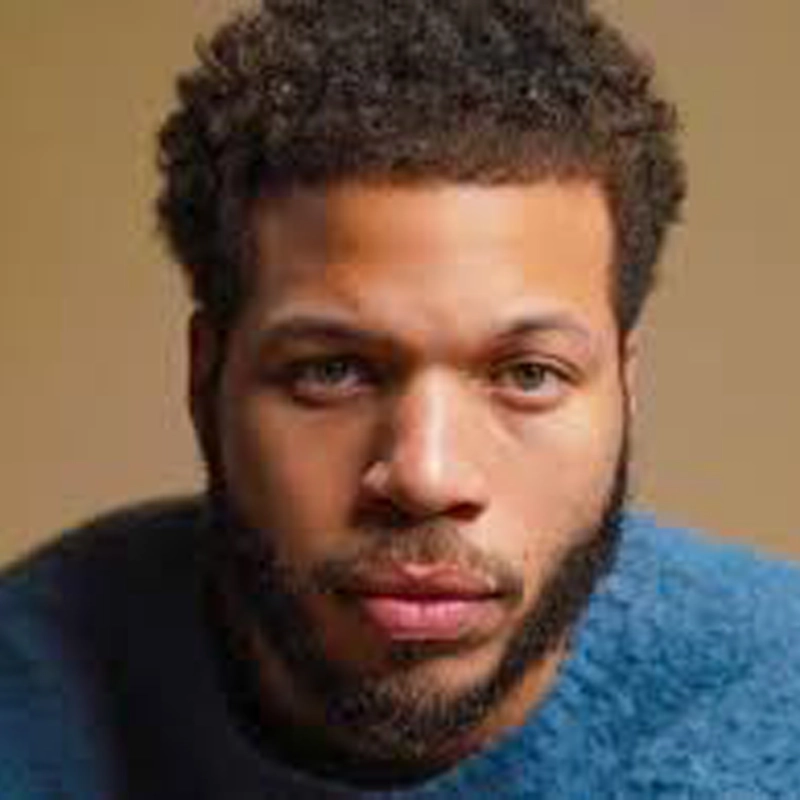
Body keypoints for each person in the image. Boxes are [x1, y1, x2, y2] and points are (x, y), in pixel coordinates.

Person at [2, 0, 800, 796]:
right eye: (332, 371)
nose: (426, 475)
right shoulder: (34, 686)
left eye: (528, 374)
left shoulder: (778, 708)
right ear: (205, 376)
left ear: (626, 390)